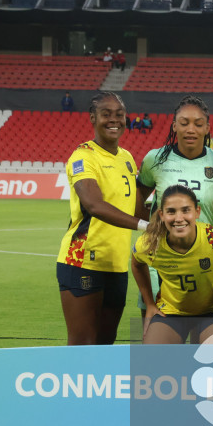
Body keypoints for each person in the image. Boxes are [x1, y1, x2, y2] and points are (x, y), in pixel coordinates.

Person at [56, 91, 145, 345]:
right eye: (106, 114)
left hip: (116, 265)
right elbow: (95, 205)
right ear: (93, 118)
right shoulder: (83, 156)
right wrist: (145, 226)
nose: (113, 120)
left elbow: (135, 208)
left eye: (119, 115)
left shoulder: (127, 158)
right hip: (82, 260)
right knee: (83, 344)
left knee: (106, 344)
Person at [136, 95, 213, 319]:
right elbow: (138, 202)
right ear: (174, 126)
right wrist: (150, 227)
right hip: (162, 263)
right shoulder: (154, 159)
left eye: (198, 123)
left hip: (203, 262)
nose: (190, 129)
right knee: (152, 343)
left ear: (207, 128)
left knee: (203, 348)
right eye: (184, 123)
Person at [131, 185, 213, 344]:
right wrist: (149, 304)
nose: (179, 218)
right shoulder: (150, 244)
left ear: (197, 212)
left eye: (186, 210)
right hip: (171, 312)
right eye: (171, 211)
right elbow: (137, 265)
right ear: (161, 214)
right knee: (152, 356)